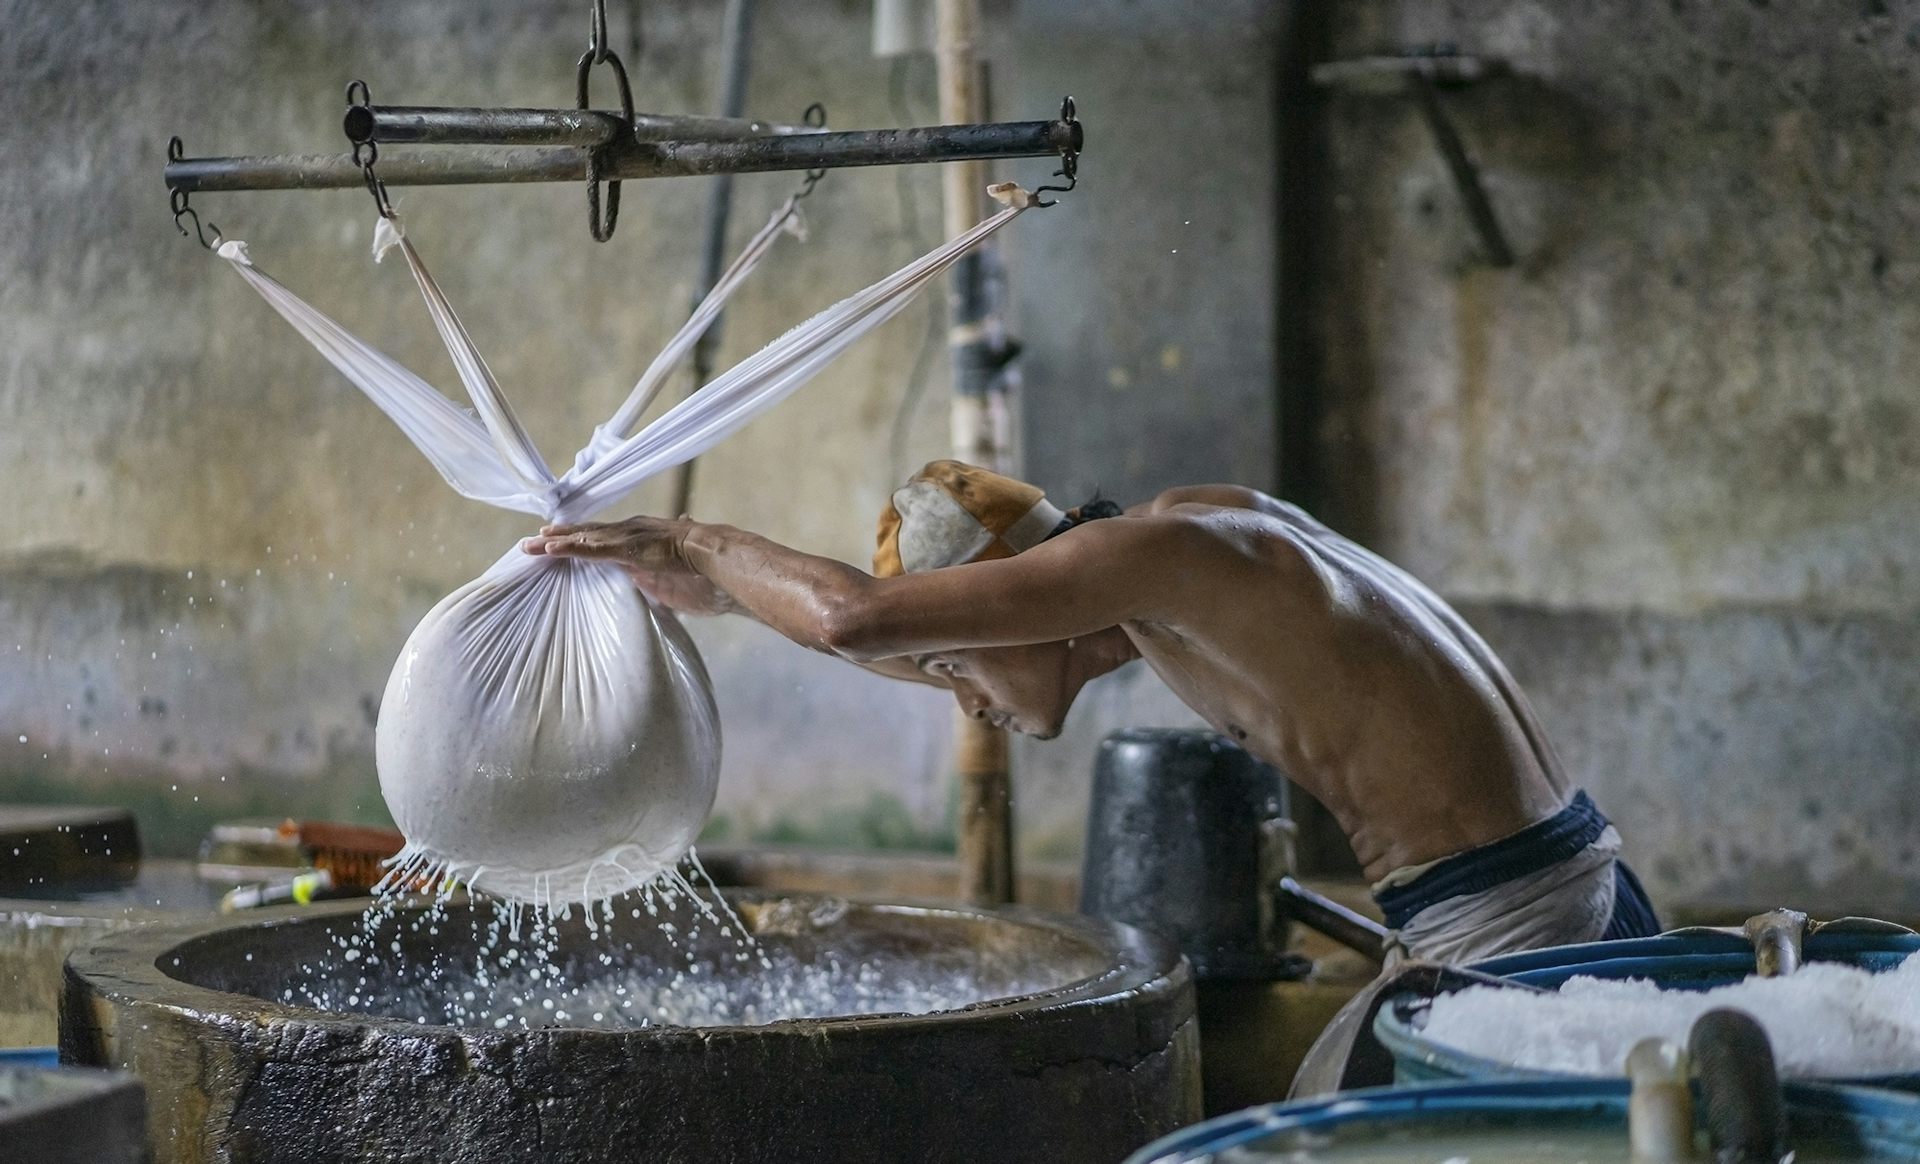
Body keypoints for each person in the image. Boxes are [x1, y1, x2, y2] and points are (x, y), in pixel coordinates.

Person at [522, 459, 1660, 963]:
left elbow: (858, 620)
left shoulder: (1165, 558)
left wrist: (692, 541)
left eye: (961, 666)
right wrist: (722, 604)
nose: (961, 698)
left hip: (1517, 928)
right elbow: (920, 647)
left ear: (1026, 605)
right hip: (1568, 881)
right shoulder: (1186, 564)